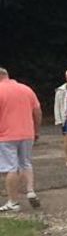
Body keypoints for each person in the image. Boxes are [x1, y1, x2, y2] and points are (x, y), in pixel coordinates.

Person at [0, 67, 43, 212]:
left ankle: (13, 201)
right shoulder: (26, 89)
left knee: (10, 167)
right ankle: (30, 191)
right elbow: (37, 111)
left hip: (5, 135)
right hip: (27, 133)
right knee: (26, 162)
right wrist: (36, 130)